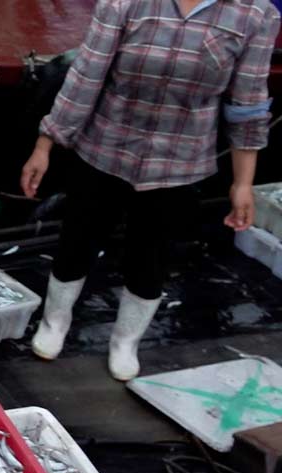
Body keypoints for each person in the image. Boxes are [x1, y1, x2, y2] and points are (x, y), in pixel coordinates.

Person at [21, 0, 280, 381]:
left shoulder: (256, 14)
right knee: (78, 238)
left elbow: (248, 102)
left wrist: (242, 183)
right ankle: (55, 321)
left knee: (152, 255)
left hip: (180, 161)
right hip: (104, 146)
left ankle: (126, 340)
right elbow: (87, 75)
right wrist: (48, 140)